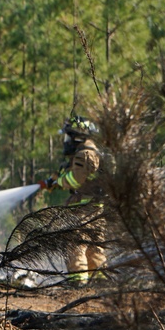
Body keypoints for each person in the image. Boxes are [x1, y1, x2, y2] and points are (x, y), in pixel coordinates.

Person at [39, 115, 106, 285]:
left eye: (68, 137)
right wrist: (54, 179)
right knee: (94, 246)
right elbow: (76, 174)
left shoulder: (84, 154)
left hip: (82, 209)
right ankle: (98, 280)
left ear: (77, 136)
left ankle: (77, 281)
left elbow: (75, 180)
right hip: (94, 207)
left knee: (75, 243)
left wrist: (59, 181)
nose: (66, 141)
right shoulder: (88, 153)